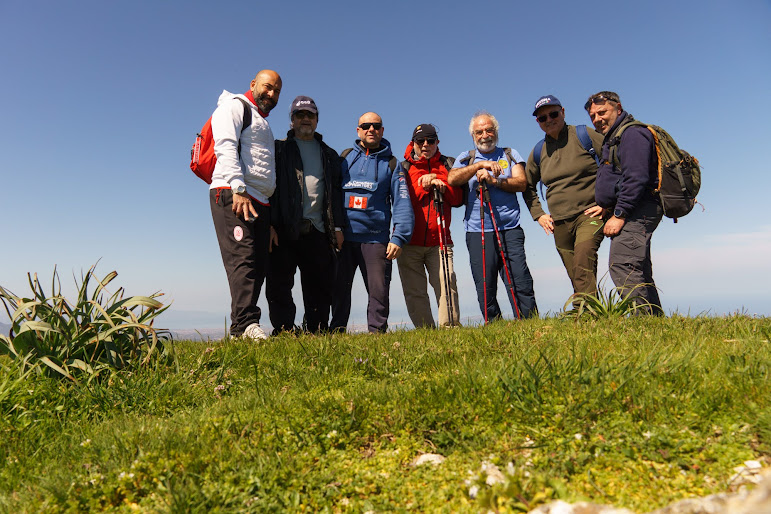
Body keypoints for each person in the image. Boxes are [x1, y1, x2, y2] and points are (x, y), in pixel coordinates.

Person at [209, 70, 282, 340]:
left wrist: (270, 218)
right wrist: (238, 188)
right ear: (253, 84)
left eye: (276, 91)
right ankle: (247, 324)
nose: (271, 94)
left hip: (260, 201)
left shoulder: (261, 121)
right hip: (234, 193)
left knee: (259, 262)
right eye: (267, 87)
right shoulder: (234, 106)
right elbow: (225, 146)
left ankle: (242, 327)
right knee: (243, 259)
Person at [448, 111, 537, 321]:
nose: (485, 135)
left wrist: (494, 181)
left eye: (489, 130)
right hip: (477, 230)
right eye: (479, 132)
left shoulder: (510, 154)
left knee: (519, 278)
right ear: (473, 135)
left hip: (510, 227)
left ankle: (528, 322)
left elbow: (521, 183)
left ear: (496, 131)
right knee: (484, 283)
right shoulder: (465, 158)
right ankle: (494, 324)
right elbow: (452, 179)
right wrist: (479, 166)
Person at [330, 112, 414, 333]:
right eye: (365, 126)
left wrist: (399, 237)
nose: (371, 129)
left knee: (379, 292)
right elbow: (333, 197)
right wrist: (335, 228)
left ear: (382, 131)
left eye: (376, 126)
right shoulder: (344, 159)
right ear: (358, 130)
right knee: (339, 290)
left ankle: (377, 336)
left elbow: (402, 203)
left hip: (376, 240)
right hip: (344, 239)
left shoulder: (393, 164)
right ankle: (336, 332)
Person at [267, 96, 344, 334]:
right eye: (300, 115)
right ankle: (285, 330)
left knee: (320, 285)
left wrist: (338, 228)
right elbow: (267, 189)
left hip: (319, 230)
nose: (305, 119)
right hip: (283, 228)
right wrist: (268, 224)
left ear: (317, 120)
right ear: (291, 120)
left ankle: (318, 330)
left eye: (310, 115)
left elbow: (336, 195)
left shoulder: (329, 154)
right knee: (279, 285)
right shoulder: (278, 149)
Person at [585, 91, 663, 314]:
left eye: (603, 112)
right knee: (638, 267)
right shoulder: (616, 135)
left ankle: (644, 321)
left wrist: (619, 214)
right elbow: (619, 176)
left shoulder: (632, 134)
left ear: (618, 108)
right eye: (593, 116)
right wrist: (607, 202)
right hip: (633, 207)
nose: (597, 119)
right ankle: (654, 320)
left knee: (623, 264)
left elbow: (636, 177)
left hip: (639, 208)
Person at [523, 95, 605, 300]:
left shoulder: (584, 135)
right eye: (543, 118)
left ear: (563, 112)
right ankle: (591, 309)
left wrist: (608, 202)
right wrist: (538, 214)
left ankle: (587, 313)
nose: (549, 120)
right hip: (559, 222)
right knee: (574, 271)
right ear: (538, 122)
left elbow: (615, 162)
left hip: (589, 214)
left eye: (553, 114)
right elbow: (527, 186)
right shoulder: (538, 151)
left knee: (582, 260)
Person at [398, 124, 463, 328]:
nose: (425, 145)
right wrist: (422, 186)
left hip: (441, 241)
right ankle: (425, 332)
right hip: (409, 242)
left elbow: (458, 198)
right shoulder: (403, 168)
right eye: (420, 141)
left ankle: (450, 328)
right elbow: (400, 200)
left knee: (446, 283)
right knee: (414, 291)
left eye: (430, 140)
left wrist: (439, 181)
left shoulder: (448, 164)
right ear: (413, 143)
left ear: (437, 143)